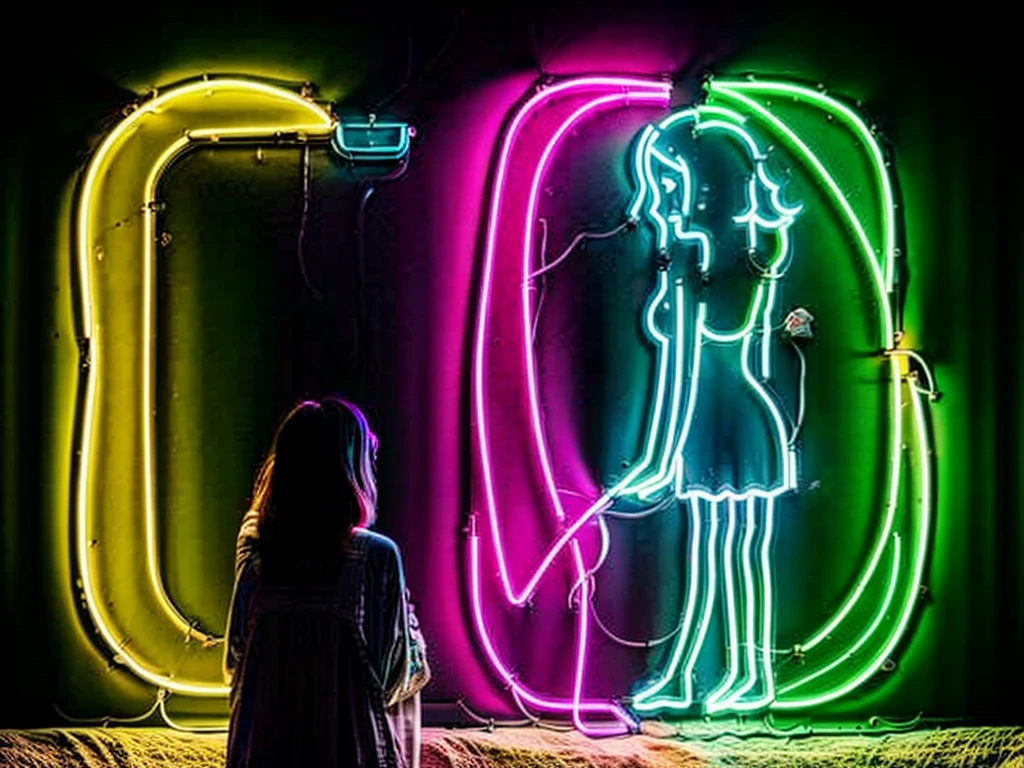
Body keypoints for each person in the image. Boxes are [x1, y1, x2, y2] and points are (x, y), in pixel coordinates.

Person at [622, 108, 803, 715]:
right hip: (730, 420)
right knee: (728, 551)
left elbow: (684, 370)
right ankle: (727, 676)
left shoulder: (717, 263)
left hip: (724, 420)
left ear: (702, 188)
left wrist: (657, 458)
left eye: (668, 185)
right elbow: (683, 359)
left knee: (724, 550)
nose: (659, 201)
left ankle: (721, 676)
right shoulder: (740, 257)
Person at [224, 397, 429, 767]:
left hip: (266, 743)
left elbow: (235, 655)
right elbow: (393, 676)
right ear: (352, 471)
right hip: (351, 745)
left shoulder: (254, 547)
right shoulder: (376, 555)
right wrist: (412, 635)